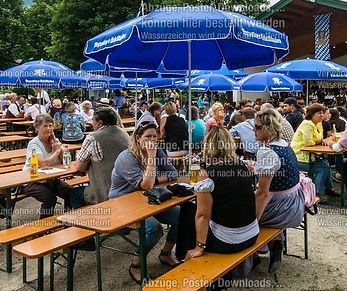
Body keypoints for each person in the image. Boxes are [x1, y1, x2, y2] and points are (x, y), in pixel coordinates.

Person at [109, 121, 179, 284]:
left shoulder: (157, 150)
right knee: (153, 228)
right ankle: (135, 265)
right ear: (138, 138)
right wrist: (152, 157)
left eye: (155, 136)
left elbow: (173, 173)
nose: (152, 140)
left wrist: (154, 178)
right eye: (148, 136)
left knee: (181, 216)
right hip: (122, 202)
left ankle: (166, 253)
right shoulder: (126, 157)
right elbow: (146, 184)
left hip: (147, 198)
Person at [184, 126, 259, 279]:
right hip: (252, 234)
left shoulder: (206, 175)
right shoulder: (243, 165)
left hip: (228, 242)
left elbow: (203, 216)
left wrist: (200, 247)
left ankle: (186, 259)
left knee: (188, 212)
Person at [253, 109, 305, 273]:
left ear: (267, 130)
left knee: (239, 216)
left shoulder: (267, 152)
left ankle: (252, 256)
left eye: (257, 127)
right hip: (296, 200)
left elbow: (263, 193)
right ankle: (275, 243)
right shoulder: (284, 145)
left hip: (282, 206)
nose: (254, 129)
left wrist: (253, 221)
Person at [70, 107, 130, 209]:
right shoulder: (124, 134)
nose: (91, 123)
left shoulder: (93, 138)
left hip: (105, 193)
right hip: (127, 189)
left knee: (72, 194)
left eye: (93, 120)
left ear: (100, 123)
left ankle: (78, 223)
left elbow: (80, 168)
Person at [22, 114, 72, 218]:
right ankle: (44, 229)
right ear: (37, 128)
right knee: (50, 197)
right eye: (45, 126)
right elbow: (44, 164)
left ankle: (69, 219)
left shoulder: (54, 141)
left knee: (70, 192)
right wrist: (57, 150)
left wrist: (56, 144)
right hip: (32, 180)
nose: (48, 128)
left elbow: (66, 160)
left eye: (50, 125)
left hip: (50, 179)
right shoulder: (34, 143)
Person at [291, 103, 338, 201]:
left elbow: (320, 138)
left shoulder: (319, 124)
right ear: (311, 114)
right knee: (323, 168)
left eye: (322, 113)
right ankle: (316, 194)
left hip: (311, 155)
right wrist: (319, 140)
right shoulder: (307, 124)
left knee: (326, 166)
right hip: (299, 156)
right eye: (319, 113)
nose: (322, 115)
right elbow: (308, 143)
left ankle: (329, 189)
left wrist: (321, 140)